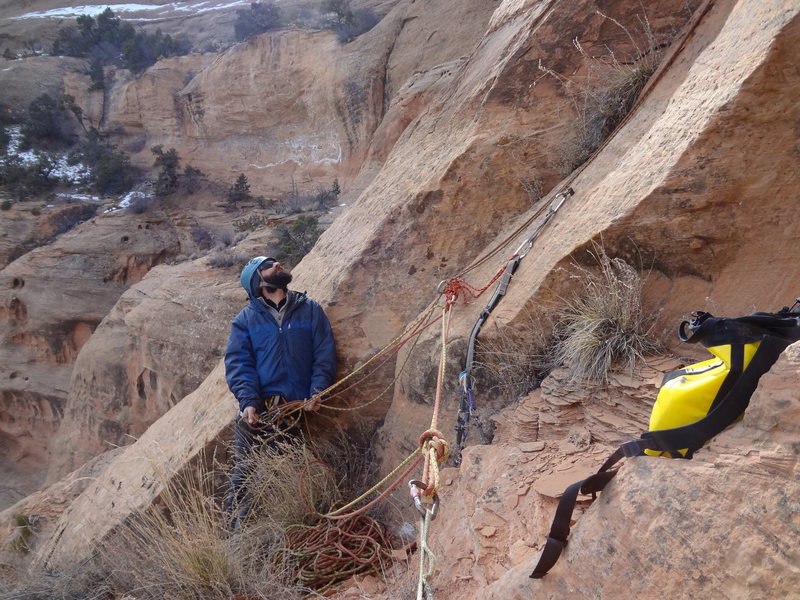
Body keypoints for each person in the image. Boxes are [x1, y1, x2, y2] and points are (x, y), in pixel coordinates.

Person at [223, 255, 336, 526]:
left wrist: (317, 390)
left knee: (289, 474)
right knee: (246, 474)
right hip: (260, 412)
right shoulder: (246, 320)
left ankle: (287, 528)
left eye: (276, 262)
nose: (277, 265)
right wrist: (248, 402)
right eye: (268, 266)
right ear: (258, 282)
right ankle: (236, 533)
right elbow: (239, 364)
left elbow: (324, 355)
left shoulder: (309, 310)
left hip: (295, 414)